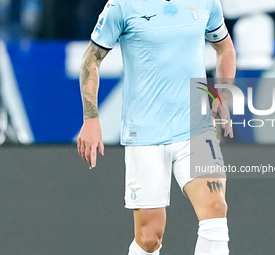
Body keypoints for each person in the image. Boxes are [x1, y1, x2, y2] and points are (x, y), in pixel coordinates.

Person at [77, 0, 236, 254]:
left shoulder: (206, 2)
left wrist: (224, 92)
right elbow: (91, 60)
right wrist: (91, 119)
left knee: (216, 209)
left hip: (197, 128)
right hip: (145, 134)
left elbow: (225, 47)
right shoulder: (122, 6)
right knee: (150, 237)